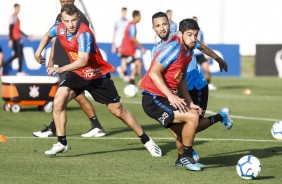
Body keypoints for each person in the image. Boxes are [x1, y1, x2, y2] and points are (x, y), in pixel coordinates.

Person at [35, 4, 161, 157]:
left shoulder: (84, 34)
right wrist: (38, 51)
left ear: (78, 18)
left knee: (118, 111)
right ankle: (62, 143)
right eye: (67, 21)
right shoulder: (59, 28)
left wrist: (60, 69)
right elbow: (48, 35)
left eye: (74, 20)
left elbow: (82, 60)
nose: (71, 24)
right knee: (58, 101)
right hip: (77, 74)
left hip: (97, 76)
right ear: (62, 20)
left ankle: (147, 140)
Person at [33, 0, 105, 138]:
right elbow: (55, 37)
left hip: (71, 62)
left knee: (65, 96)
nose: (65, 1)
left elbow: (84, 42)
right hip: (61, 60)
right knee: (77, 96)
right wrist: (51, 59)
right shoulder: (61, 15)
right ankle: (96, 126)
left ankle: (53, 129)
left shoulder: (79, 17)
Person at [140, 12, 203, 171]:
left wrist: (190, 102)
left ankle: (182, 158)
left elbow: (181, 80)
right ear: (180, 34)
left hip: (164, 98)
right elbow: (154, 73)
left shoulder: (188, 51)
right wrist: (171, 96)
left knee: (189, 121)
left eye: (196, 35)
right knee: (192, 118)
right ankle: (188, 157)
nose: (193, 38)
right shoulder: (174, 47)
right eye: (189, 35)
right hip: (152, 98)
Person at [1, 3, 32, 75]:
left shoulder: (16, 18)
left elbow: (18, 30)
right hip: (16, 39)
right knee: (20, 54)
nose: (18, 9)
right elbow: (11, 28)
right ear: (15, 8)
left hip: (17, 38)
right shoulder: (13, 17)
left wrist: (27, 36)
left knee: (17, 55)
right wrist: (11, 39)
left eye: (19, 8)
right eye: (17, 8)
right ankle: (19, 71)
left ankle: (3, 65)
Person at [117, 10, 145, 84]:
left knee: (138, 63)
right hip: (128, 49)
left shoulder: (129, 24)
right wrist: (141, 47)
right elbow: (133, 38)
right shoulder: (133, 25)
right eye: (139, 16)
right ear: (135, 16)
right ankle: (140, 80)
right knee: (138, 63)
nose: (140, 18)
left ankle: (132, 79)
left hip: (125, 48)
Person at [192, 16, 217, 90]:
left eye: (196, 21)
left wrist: (207, 53)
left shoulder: (200, 32)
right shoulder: (188, 32)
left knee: (207, 69)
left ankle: (208, 84)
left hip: (200, 54)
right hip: (191, 55)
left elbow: (203, 43)